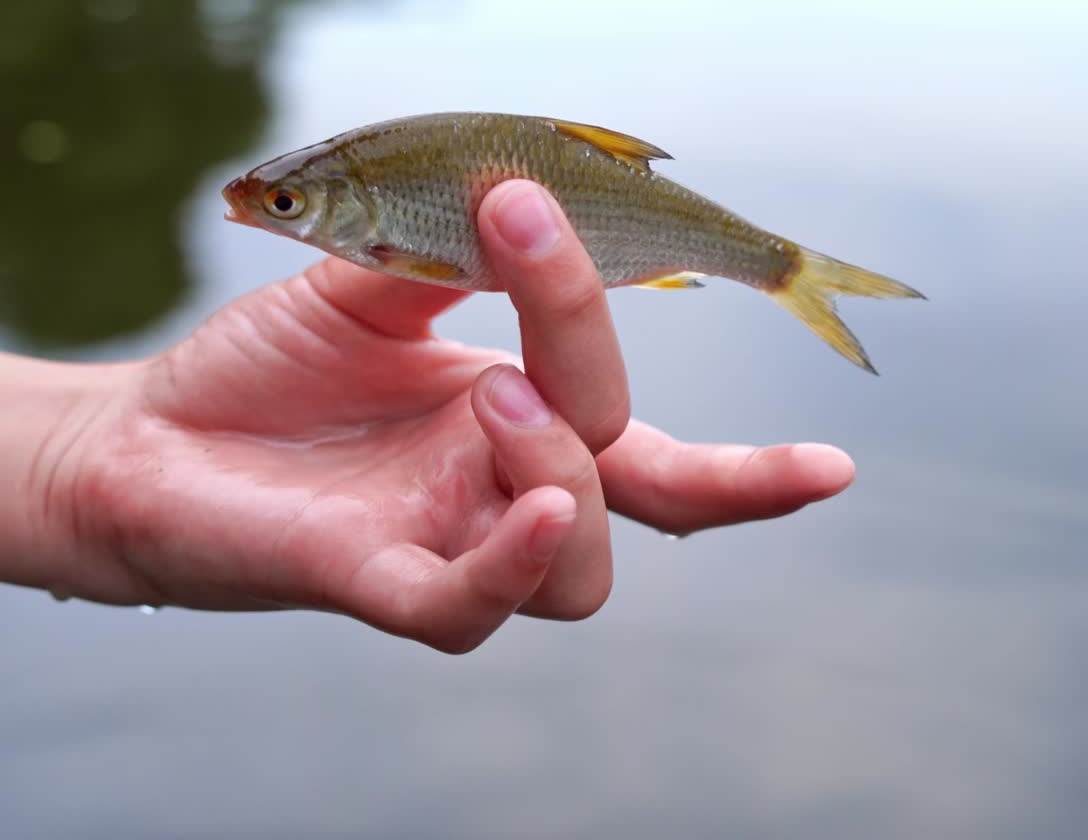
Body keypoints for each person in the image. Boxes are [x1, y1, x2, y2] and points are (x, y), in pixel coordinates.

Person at [0, 181, 855, 653]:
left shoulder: (384, 226)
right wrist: (72, 466)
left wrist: (78, 462)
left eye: (288, 204)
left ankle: (783, 270)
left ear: (351, 201)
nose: (271, 218)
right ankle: (782, 270)